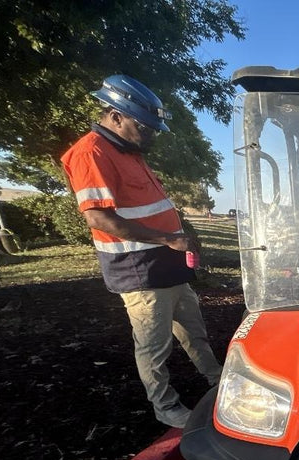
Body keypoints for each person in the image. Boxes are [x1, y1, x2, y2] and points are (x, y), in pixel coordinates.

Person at [61, 75, 223, 428]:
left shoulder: (128, 151)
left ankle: (219, 382)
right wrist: (167, 239)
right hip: (140, 270)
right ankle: (165, 406)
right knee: (153, 345)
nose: (149, 134)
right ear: (116, 116)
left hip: (169, 266)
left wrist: (181, 238)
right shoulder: (91, 152)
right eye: (143, 126)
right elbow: (98, 216)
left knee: (193, 331)